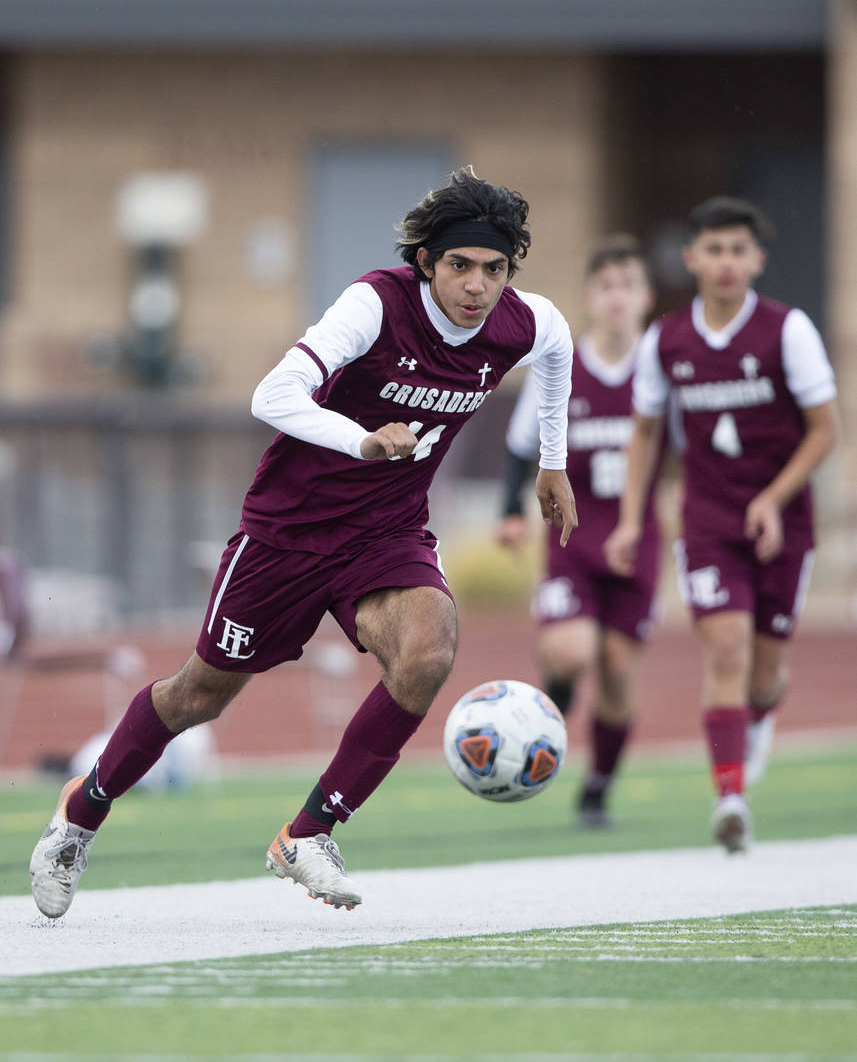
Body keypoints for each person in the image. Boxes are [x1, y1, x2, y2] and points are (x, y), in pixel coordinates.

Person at [29, 167, 577, 918]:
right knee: (198, 695)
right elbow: (272, 395)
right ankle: (81, 812)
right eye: (459, 266)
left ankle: (310, 831)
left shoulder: (523, 321)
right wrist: (360, 441)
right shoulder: (374, 305)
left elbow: (556, 349)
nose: (476, 286)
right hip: (288, 532)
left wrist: (553, 461)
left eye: (493, 269)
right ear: (426, 262)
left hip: (387, 533)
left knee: (427, 654)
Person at [604, 196, 839, 854]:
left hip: (783, 523)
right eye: (713, 249)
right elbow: (644, 434)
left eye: (738, 250)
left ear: (756, 259)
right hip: (706, 522)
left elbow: (825, 431)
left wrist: (771, 497)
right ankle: (729, 798)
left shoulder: (786, 330)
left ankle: (759, 716)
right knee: (726, 648)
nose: (725, 262)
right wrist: (630, 519)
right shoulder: (666, 340)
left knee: (763, 676)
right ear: (691, 259)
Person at [497, 234, 659, 828]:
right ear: (590, 298)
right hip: (570, 538)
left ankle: (596, 789)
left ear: (645, 298)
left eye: (628, 286)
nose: (617, 297)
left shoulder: (661, 368)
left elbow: (694, 453)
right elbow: (521, 447)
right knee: (571, 650)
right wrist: (509, 511)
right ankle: (550, 710)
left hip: (636, 542)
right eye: (606, 286)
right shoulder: (560, 365)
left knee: (618, 671)